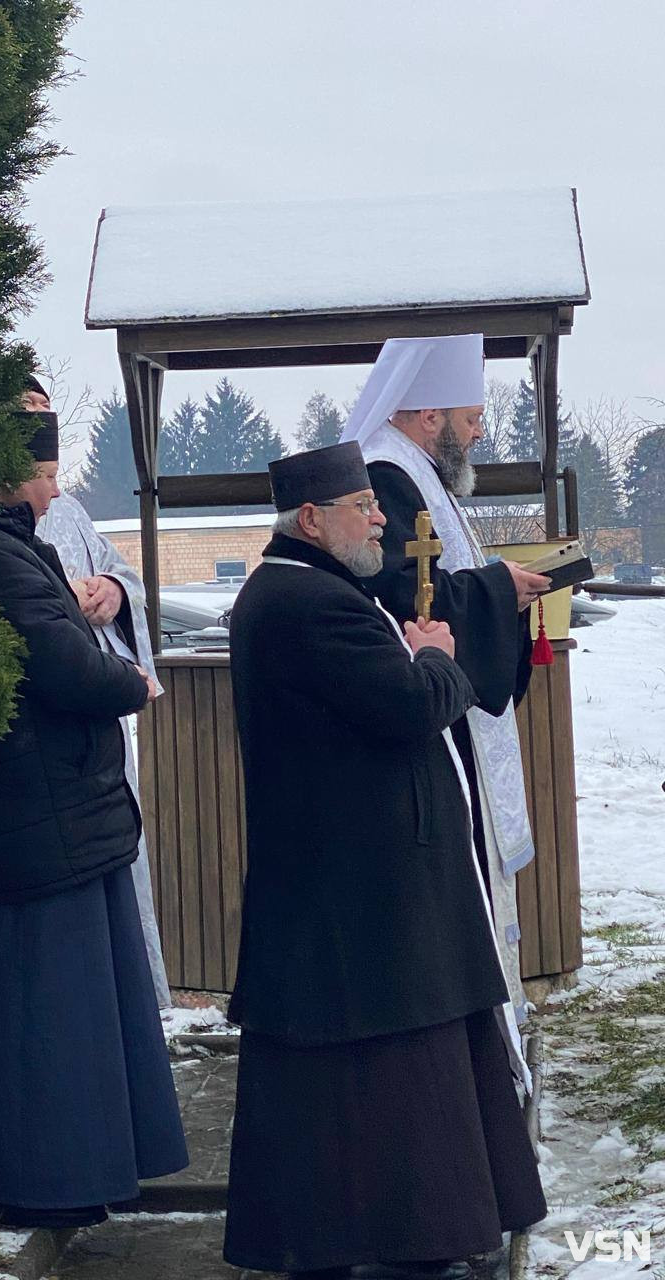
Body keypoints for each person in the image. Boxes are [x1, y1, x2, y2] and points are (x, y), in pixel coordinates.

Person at [222, 442, 546, 1279]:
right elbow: (410, 706)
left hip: (358, 881)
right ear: (310, 520)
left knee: (366, 1077)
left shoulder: (315, 591)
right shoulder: (306, 603)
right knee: (380, 1077)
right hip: (358, 890)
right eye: (361, 504)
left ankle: (371, 1235)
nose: (377, 517)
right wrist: (436, 653)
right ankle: (403, 1235)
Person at [0, 400, 187, 1229]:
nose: (56, 496)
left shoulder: (26, 541)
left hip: (69, 811)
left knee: (86, 1007)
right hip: (40, 814)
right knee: (47, 1015)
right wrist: (131, 683)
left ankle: (89, 1171)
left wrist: (113, 598)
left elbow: (107, 595)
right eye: (46, 476)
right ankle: (43, 1181)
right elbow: (58, 660)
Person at [340, 334, 549, 1019]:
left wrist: (495, 590)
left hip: (450, 700)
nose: (480, 432)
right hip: (428, 712)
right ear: (429, 415)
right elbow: (407, 596)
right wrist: (497, 591)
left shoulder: (423, 473)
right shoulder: (387, 475)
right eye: (473, 416)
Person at [23, 375, 171, 1008]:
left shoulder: (71, 510)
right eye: (24, 414)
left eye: (41, 414)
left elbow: (127, 581)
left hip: (104, 715)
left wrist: (110, 590)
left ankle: (140, 997)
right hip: (56, 728)